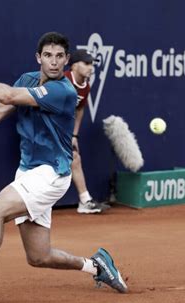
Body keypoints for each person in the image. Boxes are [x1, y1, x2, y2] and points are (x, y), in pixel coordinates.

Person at [0, 32, 128, 303]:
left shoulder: (62, 91)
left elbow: (6, 95)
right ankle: (97, 265)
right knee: (39, 256)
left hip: (52, 173)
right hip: (28, 171)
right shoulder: (27, 81)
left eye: (59, 57)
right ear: (38, 58)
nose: (53, 62)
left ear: (66, 60)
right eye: (47, 55)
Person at [64, 49, 105, 214]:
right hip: (43, 130)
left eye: (92, 64)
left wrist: (74, 135)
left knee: (75, 158)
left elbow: (79, 110)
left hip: (63, 131)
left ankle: (85, 200)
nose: (91, 67)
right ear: (74, 66)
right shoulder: (63, 80)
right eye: (86, 63)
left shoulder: (85, 87)